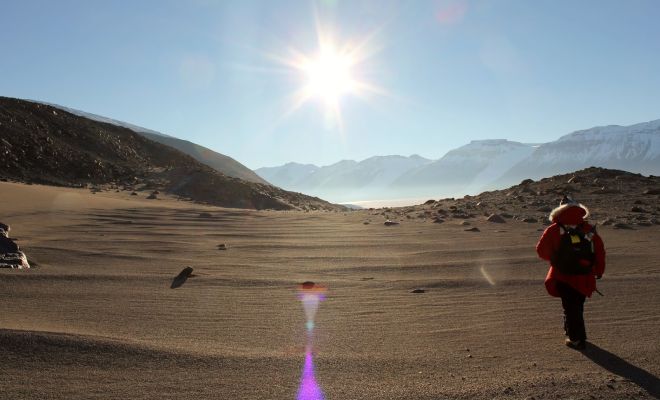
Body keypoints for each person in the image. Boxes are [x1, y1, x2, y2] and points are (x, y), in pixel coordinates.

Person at [536, 196, 606, 350]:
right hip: (584, 275)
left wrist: (556, 259)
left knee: (569, 307)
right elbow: (599, 252)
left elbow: (541, 251)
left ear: (559, 211)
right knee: (577, 306)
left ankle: (575, 338)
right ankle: (575, 334)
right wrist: (599, 270)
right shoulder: (588, 230)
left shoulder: (554, 229)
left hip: (562, 276)